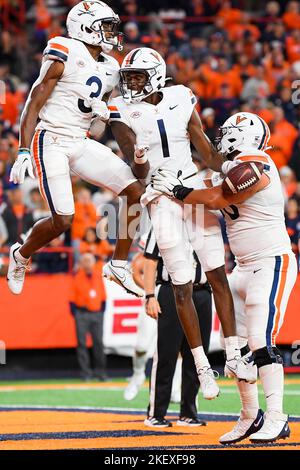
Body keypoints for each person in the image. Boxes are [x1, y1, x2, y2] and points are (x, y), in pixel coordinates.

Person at [108, 47, 255, 400]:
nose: (130, 84)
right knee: (181, 284)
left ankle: (233, 354)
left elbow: (204, 148)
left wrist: (228, 168)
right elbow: (137, 166)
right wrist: (140, 156)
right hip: (159, 194)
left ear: (156, 74)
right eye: (128, 77)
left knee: (217, 272)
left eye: (137, 77)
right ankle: (203, 365)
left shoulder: (181, 95)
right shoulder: (121, 109)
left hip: (191, 186)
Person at [151, 111, 297, 443]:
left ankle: (277, 416)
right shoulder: (228, 168)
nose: (222, 138)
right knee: (238, 349)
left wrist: (179, 190)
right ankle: (250, 416)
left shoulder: (259, 163)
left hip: (271, 262)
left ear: (243, 136)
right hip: (243, 267)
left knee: (261, 342)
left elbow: (218, 197)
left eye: (227, 132)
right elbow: (205, 176)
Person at [7, 1, 144, 298]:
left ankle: (119, 264)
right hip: (51, 139)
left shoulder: (110, 67)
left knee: (135, 192)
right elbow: (35, 100)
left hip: (81, 141)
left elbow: (95, 124)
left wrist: (101, 116)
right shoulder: (64, 49)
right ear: (85, 27)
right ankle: (21, 254)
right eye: (106, 26)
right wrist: (22, 149)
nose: (111, 32)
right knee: (63, 220)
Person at [143, 228, 211, 428]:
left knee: (197, 354)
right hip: (171, 291)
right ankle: (156, 413)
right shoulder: (162, 226)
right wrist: (149, 296)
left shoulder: (205, 226)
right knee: (167, 353)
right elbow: (150, 260)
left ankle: (189, 412)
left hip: (201, 292)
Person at [70, 252, 107, 381]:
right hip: (82, 314)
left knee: (99, 343)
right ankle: (85, 373)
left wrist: (101, 312)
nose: (87, 263)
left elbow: (103, 296)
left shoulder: (98, 276)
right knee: (82, 344)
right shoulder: (77, 277)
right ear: (81, 263)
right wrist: (76, 313)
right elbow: (71, 298)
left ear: (93, 263)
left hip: (97, 314)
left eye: (89, 260)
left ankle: (100, 373)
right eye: (84, 260)